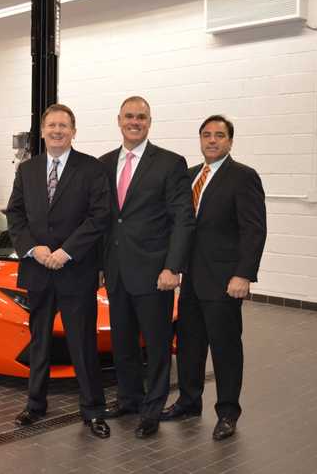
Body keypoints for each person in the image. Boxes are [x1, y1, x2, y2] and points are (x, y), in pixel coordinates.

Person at [6, 103, 112, 439]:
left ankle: (93, 410)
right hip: (37, 271)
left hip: (75, 271)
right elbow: (15, 215)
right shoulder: (27, 170)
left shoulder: (91, 169)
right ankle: (35, 405)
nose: (57, 131)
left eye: (63, 126)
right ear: (42, 130)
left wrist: (66, 252)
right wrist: (33, 249)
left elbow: (99, 217)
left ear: (73, 131)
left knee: (82, 342)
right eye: (51, 125)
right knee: (39, 342)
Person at [161, 114, 266, 441]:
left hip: (224, 281)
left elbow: (254, 230)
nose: (211, 140)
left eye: (219, 135)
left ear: (230, 141)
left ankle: (227, 413)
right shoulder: (190, 176)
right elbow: (180, 226)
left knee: (225, 349)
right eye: (206, 135)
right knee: (190, 346)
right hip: (190, 280)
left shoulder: (243, 177)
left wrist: (244, 274)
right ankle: (189, 402)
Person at [99, 96, 195, 439]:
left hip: (156, 274)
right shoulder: (104, 163)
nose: (134, 122)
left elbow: (183, 220)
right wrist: (99, 266)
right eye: (129, 116)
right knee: (122, 342)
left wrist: (173, 268)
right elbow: (104, 220)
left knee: (155, 347)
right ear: (119, 120)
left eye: (141, 117)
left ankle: (152, 409)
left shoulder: (170, 164)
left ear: (149, 122)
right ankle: (129, 399)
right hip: (117, 272)